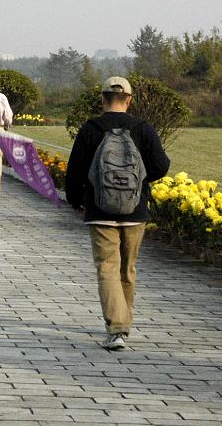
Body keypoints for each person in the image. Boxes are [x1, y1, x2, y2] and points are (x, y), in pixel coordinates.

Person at [65, 76, 170, 351]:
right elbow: (161, 165)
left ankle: (117, 328)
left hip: (100, 210)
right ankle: (123, 323)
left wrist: (76, 200)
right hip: (135, 211)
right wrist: (139, 180)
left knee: (107, 268)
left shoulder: (91, 128)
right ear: (130, 100)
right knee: (127, 269)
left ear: (102, 99)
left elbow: (74, 170)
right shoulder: (143, 129)